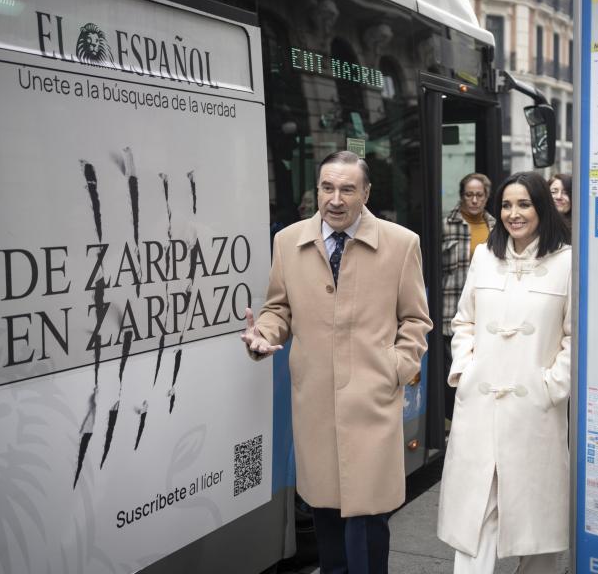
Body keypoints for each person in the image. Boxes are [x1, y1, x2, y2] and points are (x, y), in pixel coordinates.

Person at [242, 150, 432, 574]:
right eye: (328, 187)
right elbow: (278, 310)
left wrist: (395, 369)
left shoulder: (402, 244)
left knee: (367, 524)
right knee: (325, 517)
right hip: (316, 406)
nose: (336, 199)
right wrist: (263, 336)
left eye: (348, 189)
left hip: (373, 402)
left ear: (366, 192)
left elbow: (417, 320)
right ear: (317, 191)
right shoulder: (288, 242)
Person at [437, 171, 572, 574]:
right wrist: (466, 368)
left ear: (541, 209)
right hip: (480, 406)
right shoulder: (485, 257)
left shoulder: (569, 261)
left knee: (539, 530)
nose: (514, 213)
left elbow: (575, 336)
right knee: (475, 518)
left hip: (535, 411)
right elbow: (463, 322)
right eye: (507, 205)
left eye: (524, 204)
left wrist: (551, 386)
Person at [441, 173, 495, 418]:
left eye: (479, 195)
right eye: (469, 195)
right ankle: (452, 422)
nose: (474, 200)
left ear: (486, 197)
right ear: (462, 196)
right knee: (454, 372)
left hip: (485, 313)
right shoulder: (445, 225)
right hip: (450, 311)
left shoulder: (496, 227)